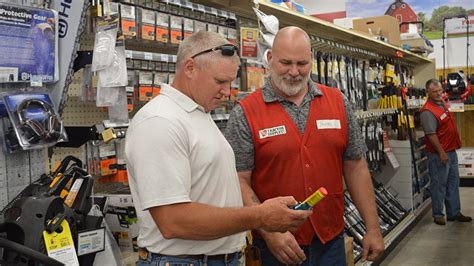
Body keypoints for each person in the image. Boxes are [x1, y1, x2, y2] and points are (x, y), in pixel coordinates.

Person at [125, 31, 312, 266]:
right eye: (220, 81)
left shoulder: (198, 113)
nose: (227, 91)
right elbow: (173, 221)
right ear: (190, 68)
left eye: (231, 82)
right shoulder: (160, 121)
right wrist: (260, 216)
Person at [225, 26, 384, 265]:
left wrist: (372, 227)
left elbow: (356, 166)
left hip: (330, 240)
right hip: (275, 248)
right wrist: (269, 232)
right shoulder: (246, 112)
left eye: (302, 64)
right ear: (269, 59)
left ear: (311, 60)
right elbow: (238, 179)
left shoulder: (338, 102)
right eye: (286, 63)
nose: (294, 72)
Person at [420, 79, 472, 225]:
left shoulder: (441, 103)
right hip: (439, 154)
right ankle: (438, 214)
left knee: (453, 183)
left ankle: (454, 212)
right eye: (435, 91)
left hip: (451, 151)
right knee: (439, 184)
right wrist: (441, 152)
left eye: (440, 91)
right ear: (428, 92)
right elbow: (431, 135)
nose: (438, 94)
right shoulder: (427, 111)